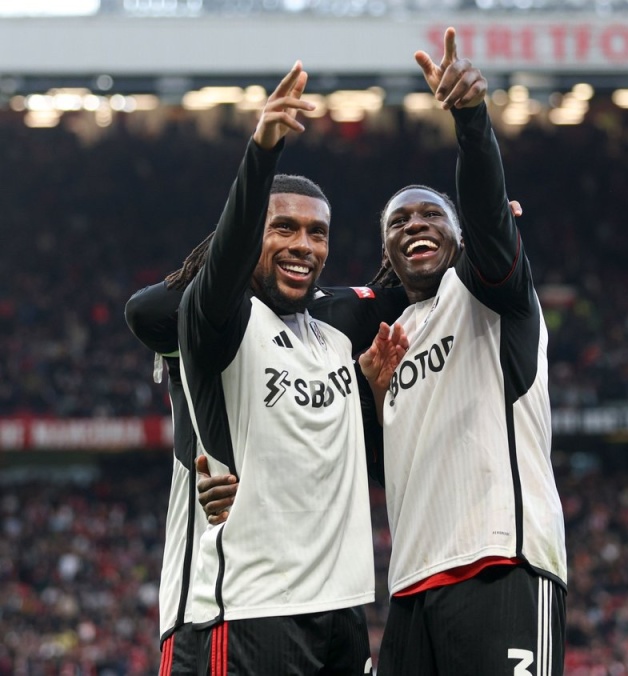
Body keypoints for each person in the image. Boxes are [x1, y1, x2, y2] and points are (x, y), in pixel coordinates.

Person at [357, 27, 567, 675]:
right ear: (387, 252)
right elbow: (385, 468)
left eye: (431, 216)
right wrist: (375, 397)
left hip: (500, 561)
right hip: (411, 586)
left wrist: (471, 121)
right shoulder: (390, 341)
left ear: (459, 237)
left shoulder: (486, 290)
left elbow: (487, 217)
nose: (415, 224)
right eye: (399, 222)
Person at [177, 62, 391, 675]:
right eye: (284, 228)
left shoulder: (336, 340)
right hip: (255, 607)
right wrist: (262, 151)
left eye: (317, 233)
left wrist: (372, 395)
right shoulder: (222, 321)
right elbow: (215, 268)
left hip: (345, 608)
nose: (304, 245)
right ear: (252, 237)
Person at [124, 235, 214, 675]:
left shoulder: (308, 339)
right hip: (200, 608)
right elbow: (145, 310)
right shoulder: (202, 333)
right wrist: (227, 259)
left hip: (288, 601)